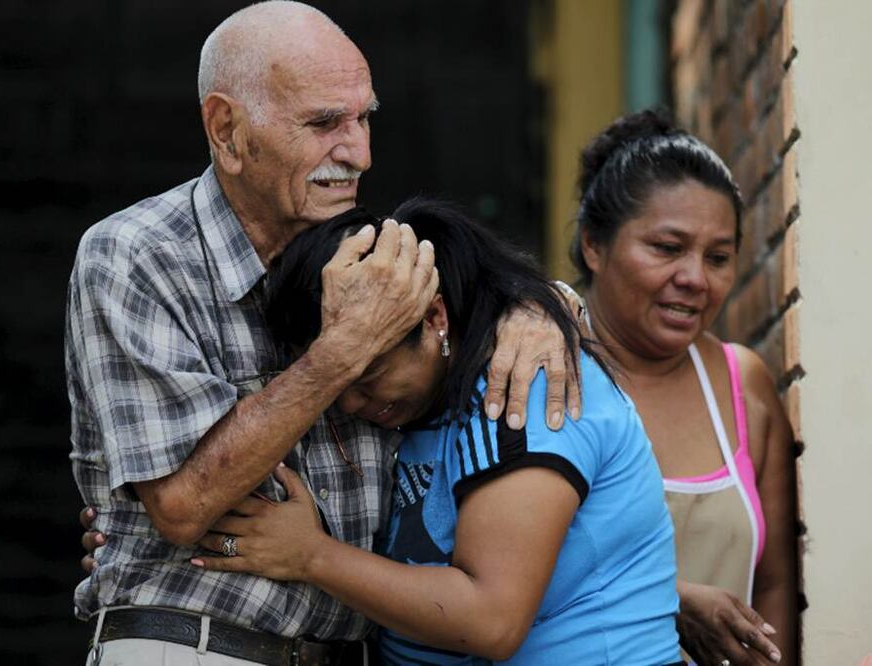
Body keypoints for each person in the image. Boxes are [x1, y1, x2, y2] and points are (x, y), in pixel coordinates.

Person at [66, 3, 576, 664]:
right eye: (324, 122)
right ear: (226, 129)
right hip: (199, 646)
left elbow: (493, 320)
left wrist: (543, 309)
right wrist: (344, 351)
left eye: (365, 117)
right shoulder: (138, 256)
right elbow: (184, 505)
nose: (358, 152)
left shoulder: (376, 253)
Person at [192, 199, 683, 665]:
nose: (348, 404)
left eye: (367, 376)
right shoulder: (427, 400)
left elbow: (493, 620)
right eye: (333, 381)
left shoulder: (524, 383)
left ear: (433, 317)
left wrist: (312, 555)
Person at [570, 111, 798, 665]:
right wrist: (667, 602)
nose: (695, 278)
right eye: (668, 248)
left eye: (718, 258)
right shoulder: (544, 368)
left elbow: (776, 585)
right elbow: (494, 572)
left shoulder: (743, 385)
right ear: (594, 246)